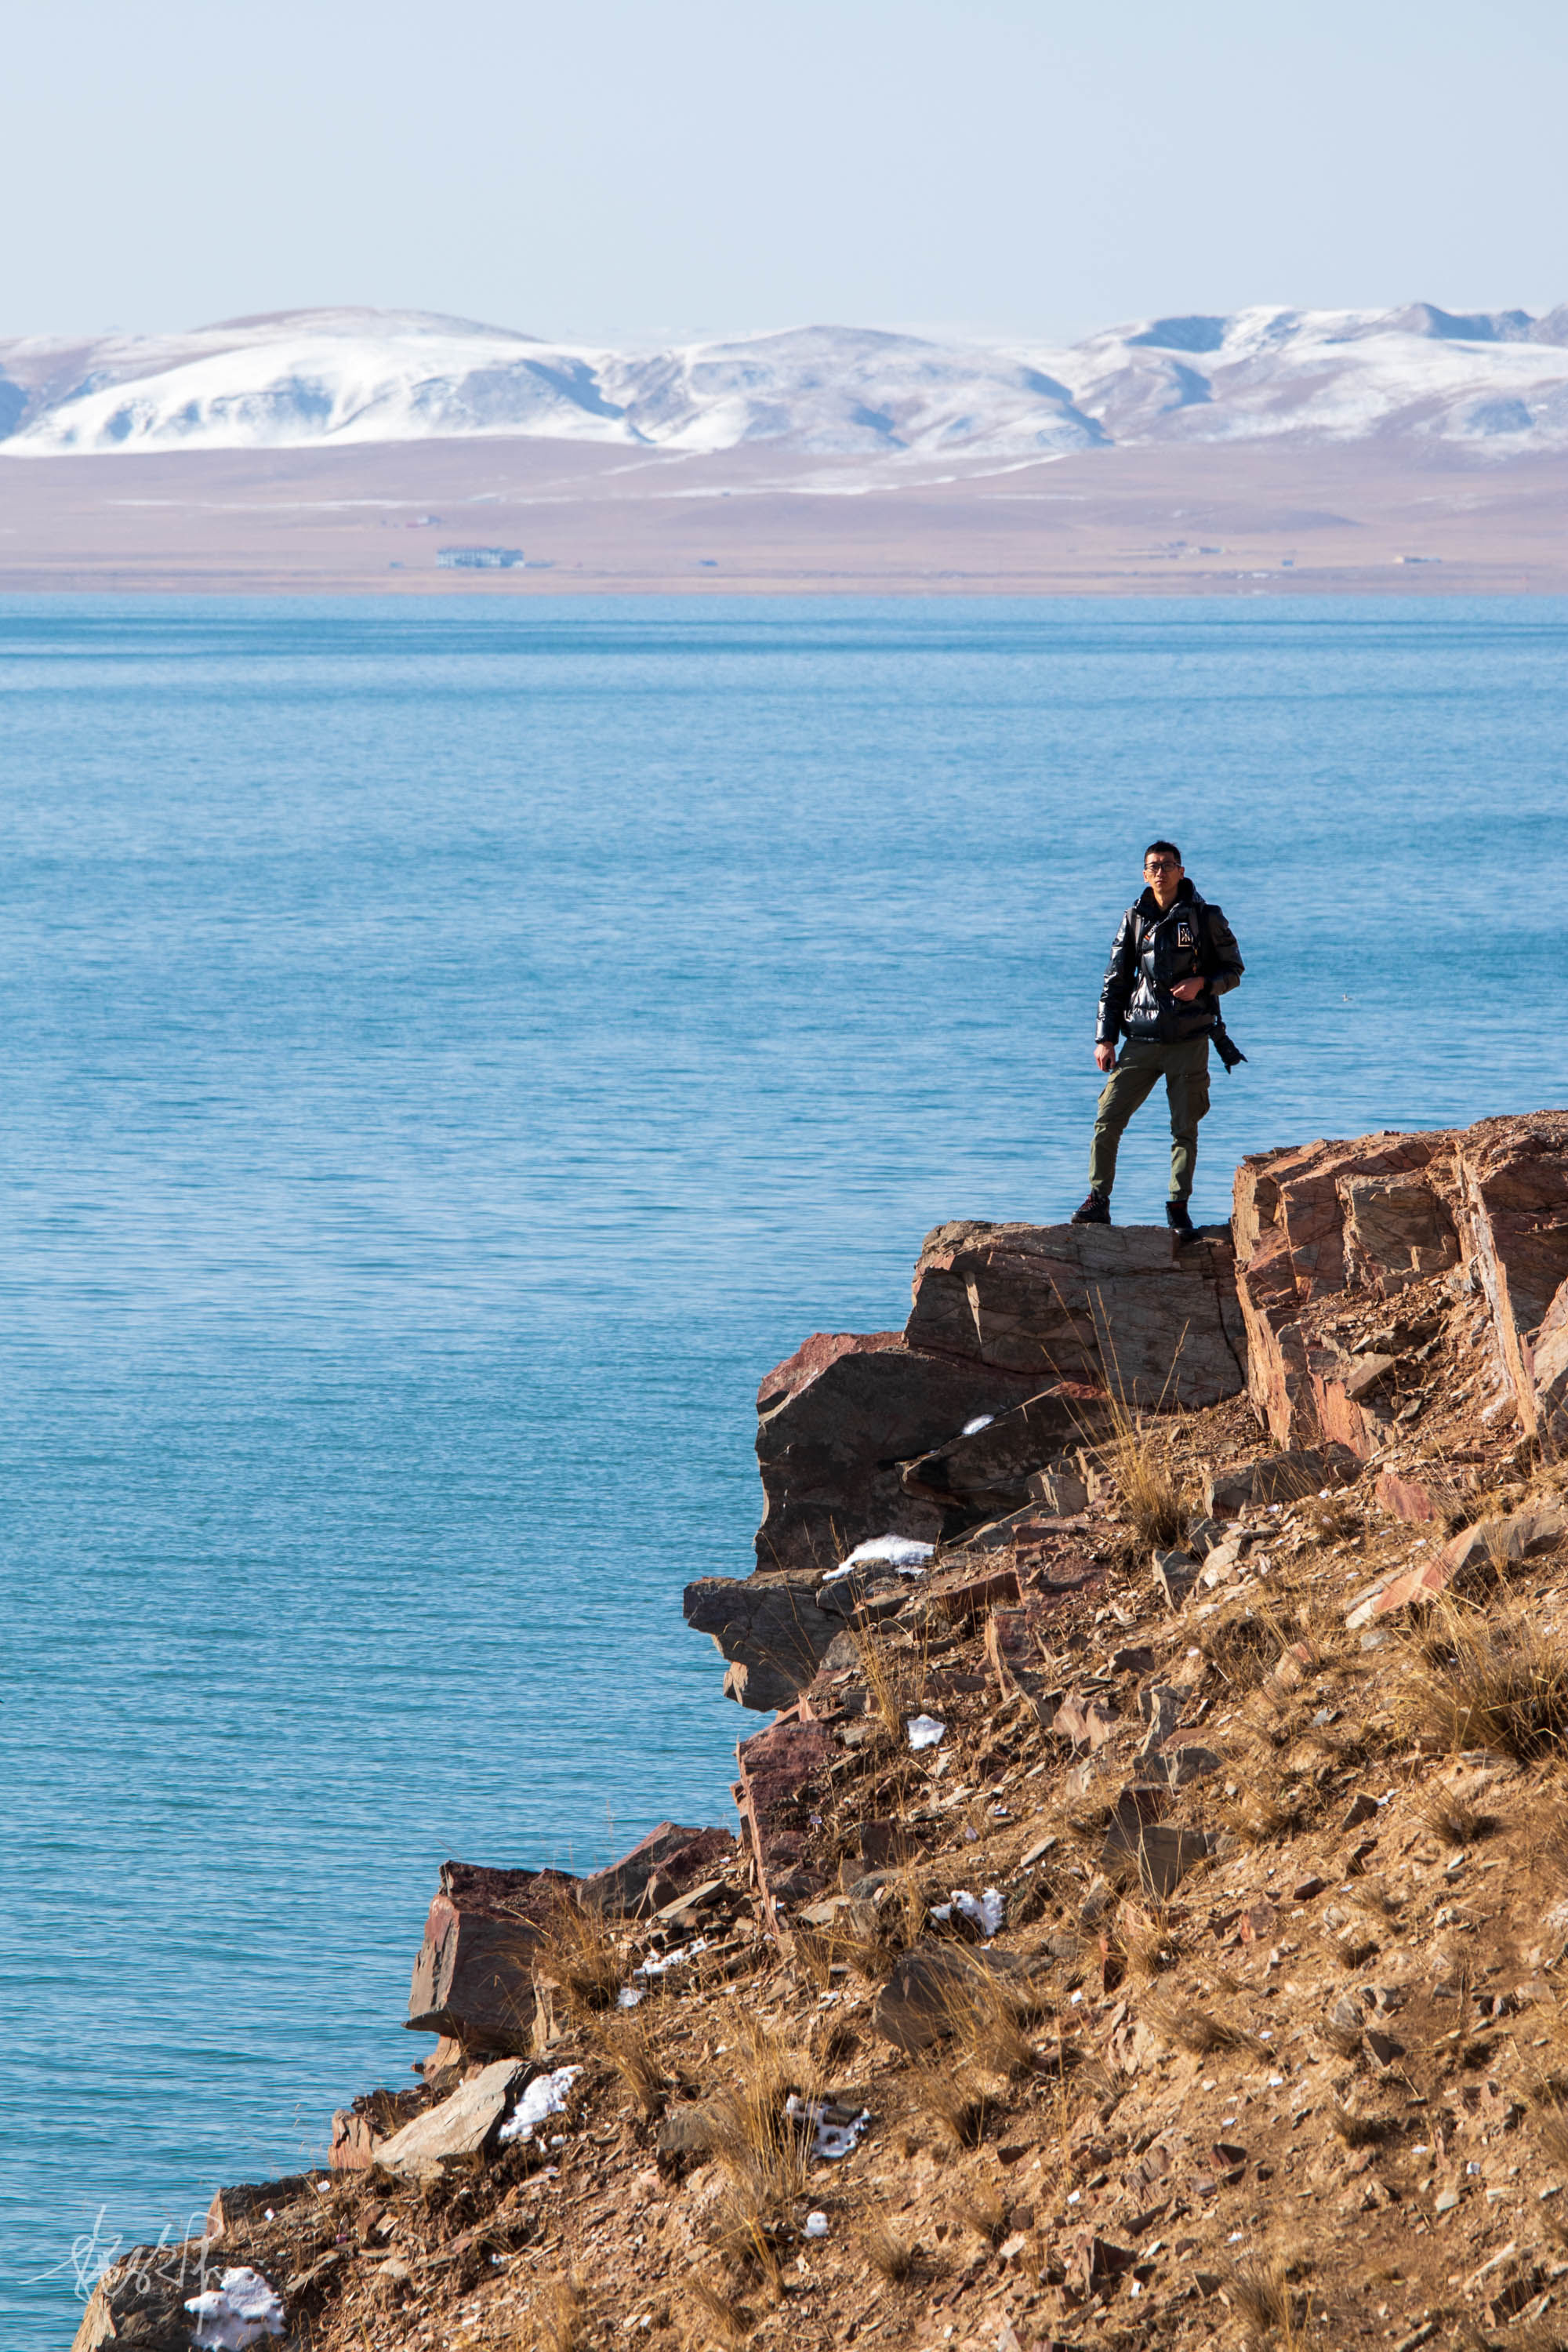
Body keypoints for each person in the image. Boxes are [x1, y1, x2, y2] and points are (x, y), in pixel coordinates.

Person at [1072, 840, 1243, 1235]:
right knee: (1107, 1119)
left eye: (1168, 865)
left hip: (1189, 1041)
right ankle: (1098, 1200)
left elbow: (1234, 970)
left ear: (1181, 871)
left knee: (1185, 1128)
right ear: (1145, 874)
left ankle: (1178, 1207)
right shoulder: (1135, 918)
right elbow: (1114, 981)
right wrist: (1105, 1038)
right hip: (1140, 1040)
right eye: (1154, 866)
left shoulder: (1205, 917)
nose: (1161, 872)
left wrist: (1203, 983)